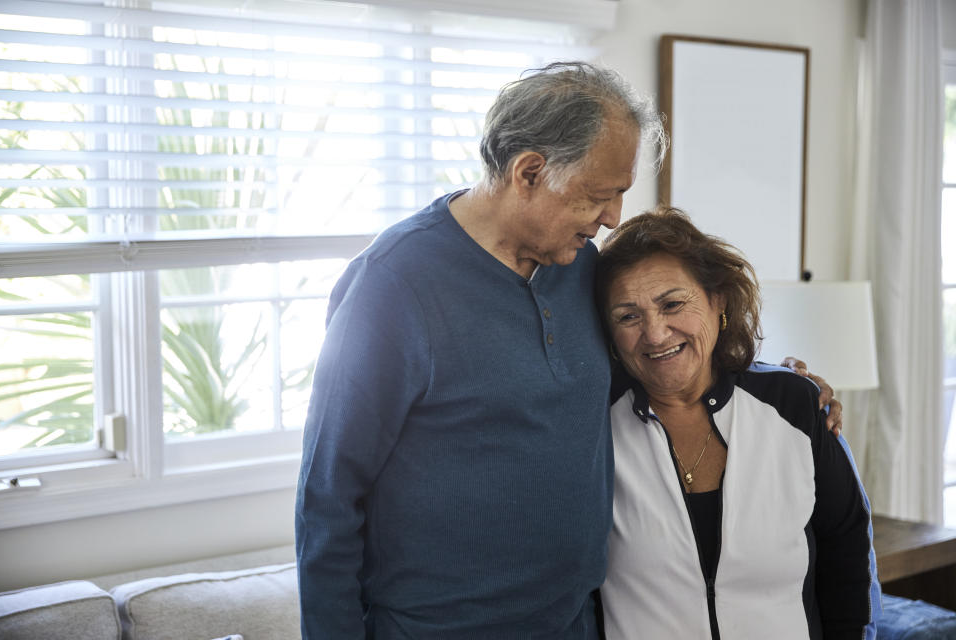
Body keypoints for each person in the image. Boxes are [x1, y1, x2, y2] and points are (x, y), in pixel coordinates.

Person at [295, 61, 841, 638]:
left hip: (576, 621)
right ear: (529, 172)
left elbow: (645, 356)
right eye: (598, 197)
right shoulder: (391, 286)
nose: (611, 220)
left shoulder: (577, 266)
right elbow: (328, 496)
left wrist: (771, 380)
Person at [595, 207, 879, 640]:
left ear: (717, 299)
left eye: (673, 304)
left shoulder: (795, 406)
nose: (654, 333)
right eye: (628, 316)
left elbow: (849, 565)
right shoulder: (590, 427)